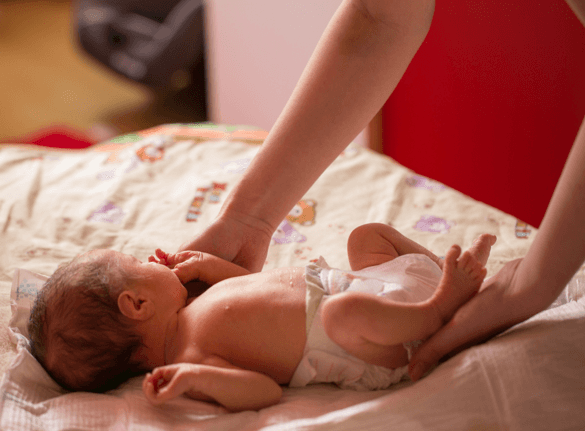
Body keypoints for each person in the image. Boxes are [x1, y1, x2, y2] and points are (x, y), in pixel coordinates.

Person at [179, 0, 585, 381]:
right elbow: (379, 18)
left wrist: (535, 279)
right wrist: (248, 218)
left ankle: (442, 300)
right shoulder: (188, 348)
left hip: (375, 308)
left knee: (351, 288)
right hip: (381, 310)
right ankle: (443, 289)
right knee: (358, 264)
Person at [27, 223, 496, 411]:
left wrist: (214, 268)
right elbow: (263, 392)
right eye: (138, 264)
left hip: (371, 290)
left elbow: (258, 286)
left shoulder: (195, 306)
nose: (151, 260)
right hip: (373, 342)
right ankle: (440, 308)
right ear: (137, 305)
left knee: (365, 237)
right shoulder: (192, 354)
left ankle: (445, 275)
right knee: (339, 314)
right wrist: (191, 380)